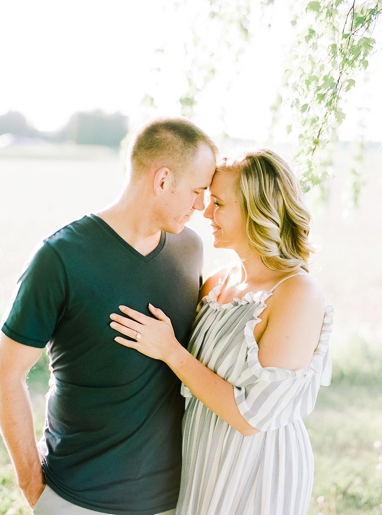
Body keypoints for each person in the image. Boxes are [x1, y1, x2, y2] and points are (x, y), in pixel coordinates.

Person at [0, 117, 218, 514]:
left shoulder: (190, 250)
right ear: (163, 180)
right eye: (197, 191)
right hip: (74, 498)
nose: (202, 206)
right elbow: (8, 373)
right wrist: (33, 486)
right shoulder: (60, 258)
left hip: (170, 501)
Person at [109, 149, 332, 514]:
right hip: (203, 454)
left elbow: (251, 418)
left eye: (219, 204)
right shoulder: (215, 283)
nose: (206, 212)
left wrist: (170, 350)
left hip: (260, 467)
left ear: (257, 211)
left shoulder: (297, 293)